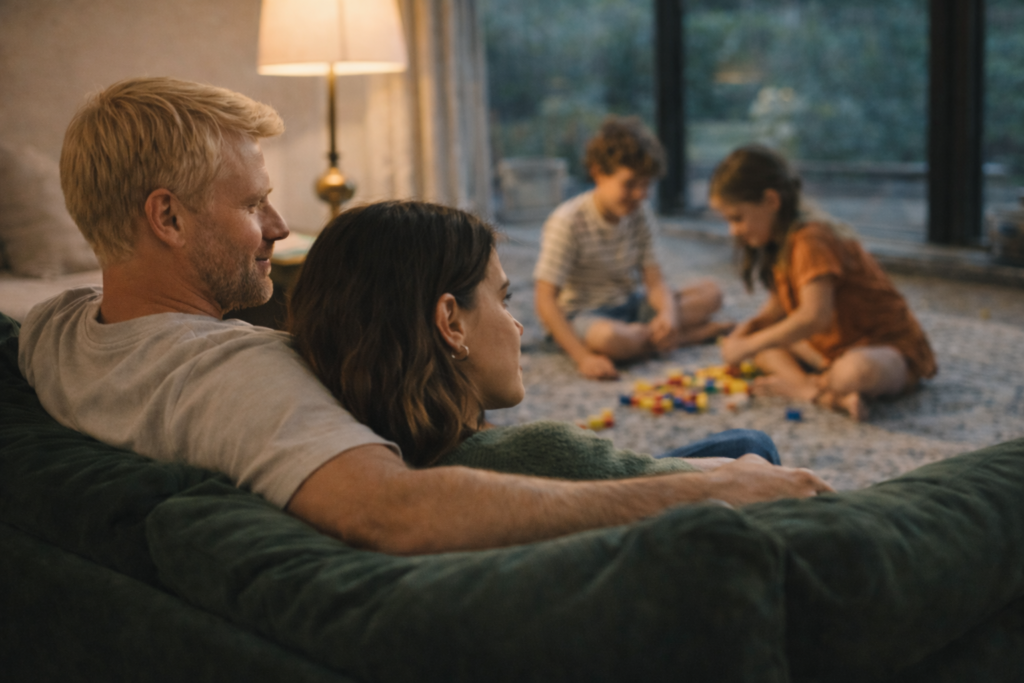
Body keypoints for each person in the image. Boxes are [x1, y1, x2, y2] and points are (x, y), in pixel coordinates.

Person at [17, 77, 831, 558]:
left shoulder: (53, 333)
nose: (276, 226)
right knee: (745, 451)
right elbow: (393, 510)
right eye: (254, 203)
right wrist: (703, 492)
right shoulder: (237, 371)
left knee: (738, 448)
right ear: (167, 218)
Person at [288, 200, 785, 481]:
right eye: (503, 301)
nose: (518, 326)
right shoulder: (540, 455)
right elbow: (756, 486)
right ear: (450, 323)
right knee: (752, 446)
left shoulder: (352, 443)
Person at [709, 144, 938, 420]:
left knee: (852, 373)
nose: (733, 230)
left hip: (886, 349)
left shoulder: (811, 238)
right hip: (828, 352)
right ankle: (816, 390)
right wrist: (748, 331)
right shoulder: (780, 243)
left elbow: (814, 317)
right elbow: (777, 310)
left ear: (771, 201)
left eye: (737, 218)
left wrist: (749, 345)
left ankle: (808, 389)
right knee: (765, 345)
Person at [534, 116, 732, 380]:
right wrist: (584, 358)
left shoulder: (640, 212)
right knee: (610, 339)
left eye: (646, 185)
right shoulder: (567, 221)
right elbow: (544, 300)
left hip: (631, 305)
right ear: (597, 172)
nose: (640, 194)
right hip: (585, 315)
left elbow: (654, 281)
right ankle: (685, 337)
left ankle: (657, 337)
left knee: (712, 293)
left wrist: (668, 315)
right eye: (630, 184)